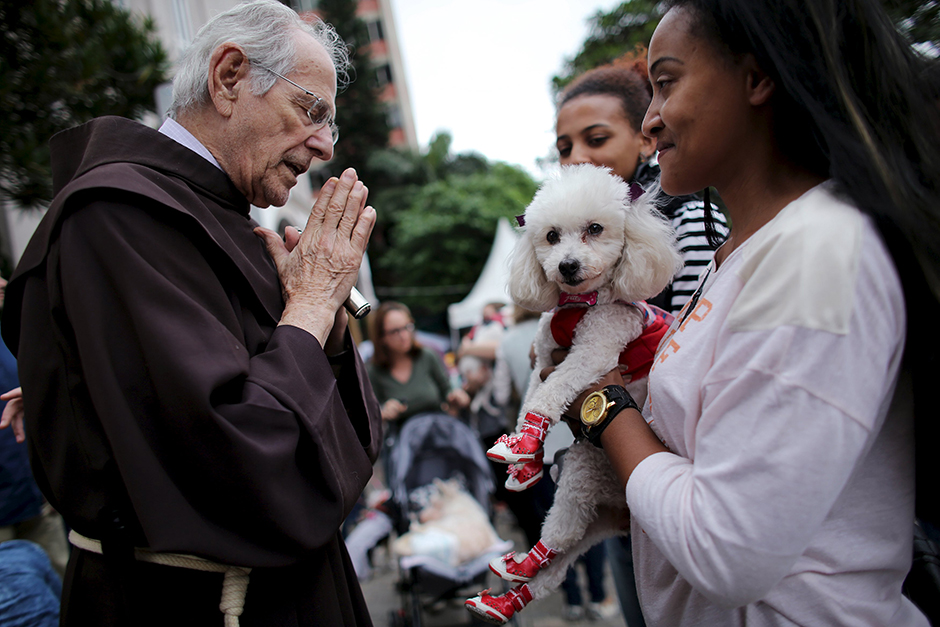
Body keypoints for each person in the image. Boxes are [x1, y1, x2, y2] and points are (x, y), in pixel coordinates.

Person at [557, 0, 940, 625]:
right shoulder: (741, 251)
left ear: (756, 79)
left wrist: (601, 405)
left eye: (666, 83)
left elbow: (725, 551)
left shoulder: (818, 251)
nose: (650, 121)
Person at [1, 1, 383, 625]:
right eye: (311, 113)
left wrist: (328, 320)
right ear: (229, 76)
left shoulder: (222, 216)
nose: (321, 146)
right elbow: (242, 466)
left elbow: (342, 455)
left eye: (330, 127)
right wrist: (310, 306)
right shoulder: (118, 214)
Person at [555, 53, 728, 315]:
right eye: (564, 148)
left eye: (597, 139)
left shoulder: (691, 217)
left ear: (646, 141)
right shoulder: (560, 228)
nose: (576, 157)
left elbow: (693, 334)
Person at [366, 301, 470, 429]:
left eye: (407, 327)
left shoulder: (427, 356)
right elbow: (369, 416)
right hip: (404, 443)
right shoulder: (374, 371)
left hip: (439, 432)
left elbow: (447, 391)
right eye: (395, 331)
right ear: (381, 337)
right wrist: (384, 412)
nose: (403, 335)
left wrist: (457, 397)